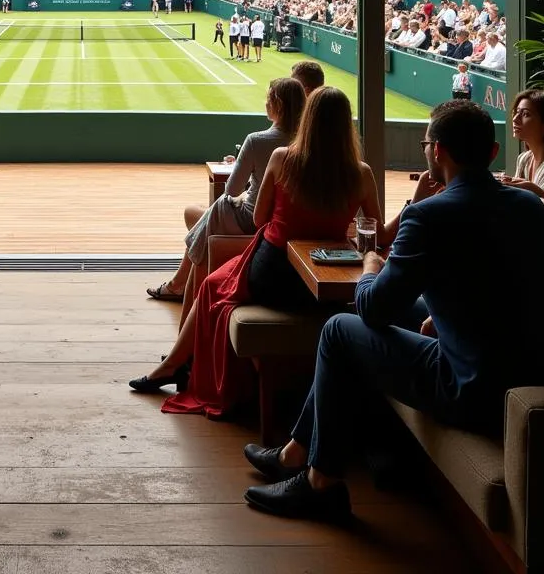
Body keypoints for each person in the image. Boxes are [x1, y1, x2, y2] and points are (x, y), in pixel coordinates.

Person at [243, 101, 544, 520]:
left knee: (337, 331)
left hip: (476, 390)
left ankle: (320, 481)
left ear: (436, 152)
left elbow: (372, 308)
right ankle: (301, 451)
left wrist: (369, 267)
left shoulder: (427, 215)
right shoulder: (530, 208)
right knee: (414, 311)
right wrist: (439, 317)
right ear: (493, 154)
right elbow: (496, 284)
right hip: (542, 375)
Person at [131, 87, 382, 418]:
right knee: (215, 283)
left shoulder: (282, 158)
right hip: (319, 287)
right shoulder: (361, 173)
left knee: (210, 286)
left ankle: (173, 367)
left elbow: (260, 218)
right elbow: (373, 229)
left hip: (271, 272)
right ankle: (174, 366)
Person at [146, 78, 308, 320]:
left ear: (278, 105)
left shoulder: (257, 140)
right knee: (206, 215)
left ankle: (178, 285)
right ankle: (178, 284)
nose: (265, 103)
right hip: (283, 222)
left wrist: (242, 167)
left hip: (252, 220)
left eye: (268, 98)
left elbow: (231, 190)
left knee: (218, 208)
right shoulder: (307, 144)